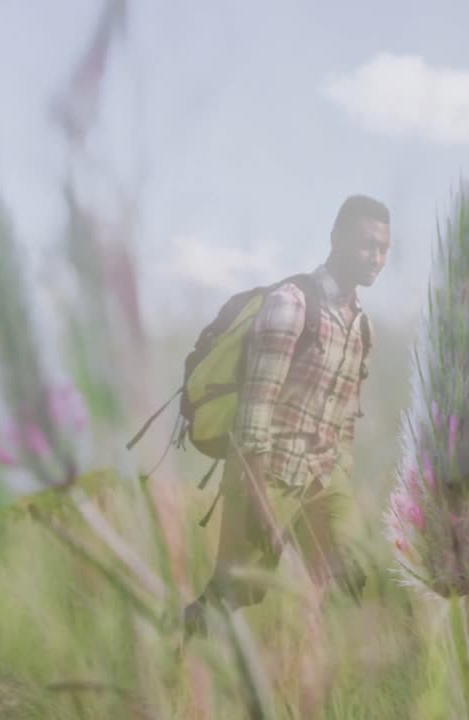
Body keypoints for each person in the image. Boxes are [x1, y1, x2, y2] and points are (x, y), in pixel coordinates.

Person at [182, 194, 391, 638]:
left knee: (352, 573)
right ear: (336, 239)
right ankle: (179, 643)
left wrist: (341, 473)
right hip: (268, 472)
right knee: (238, 591)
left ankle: (336, 683)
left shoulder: (362, 325)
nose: (376, 258)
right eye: (366, 245)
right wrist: (260, 505)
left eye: (383, 249)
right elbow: (254, 415)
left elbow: (346, 414)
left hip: (324, 475)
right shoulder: (292, 305)